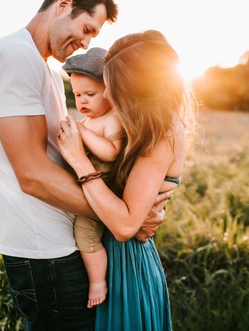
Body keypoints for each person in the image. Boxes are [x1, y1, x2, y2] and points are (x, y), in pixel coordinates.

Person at [0, 0, 170, 329]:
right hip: (45, 252)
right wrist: (125, 218)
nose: (86, 44)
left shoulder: (47, 70)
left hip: (66, 244)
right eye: (87, 30)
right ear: (64, 5)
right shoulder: (14, 56)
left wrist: (131, 208)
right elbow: (32, 174)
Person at [57, 29, 195, 331]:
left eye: (114, 87)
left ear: (139, 89)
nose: (108, 95)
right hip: (112, 255)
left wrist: (80, 162)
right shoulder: (139, 124)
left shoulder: (162, 133)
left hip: (127, 264)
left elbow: (124, 226)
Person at [61, 47, 125, 309]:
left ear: (109, 92)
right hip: (85, 188)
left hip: (103, 193)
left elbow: (111, 152)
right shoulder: (89, 121)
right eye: (77, 95)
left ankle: (98, 281)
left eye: (90, 94)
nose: (82, 101)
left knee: (84, 235)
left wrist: (82, 133)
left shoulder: (112, 119)